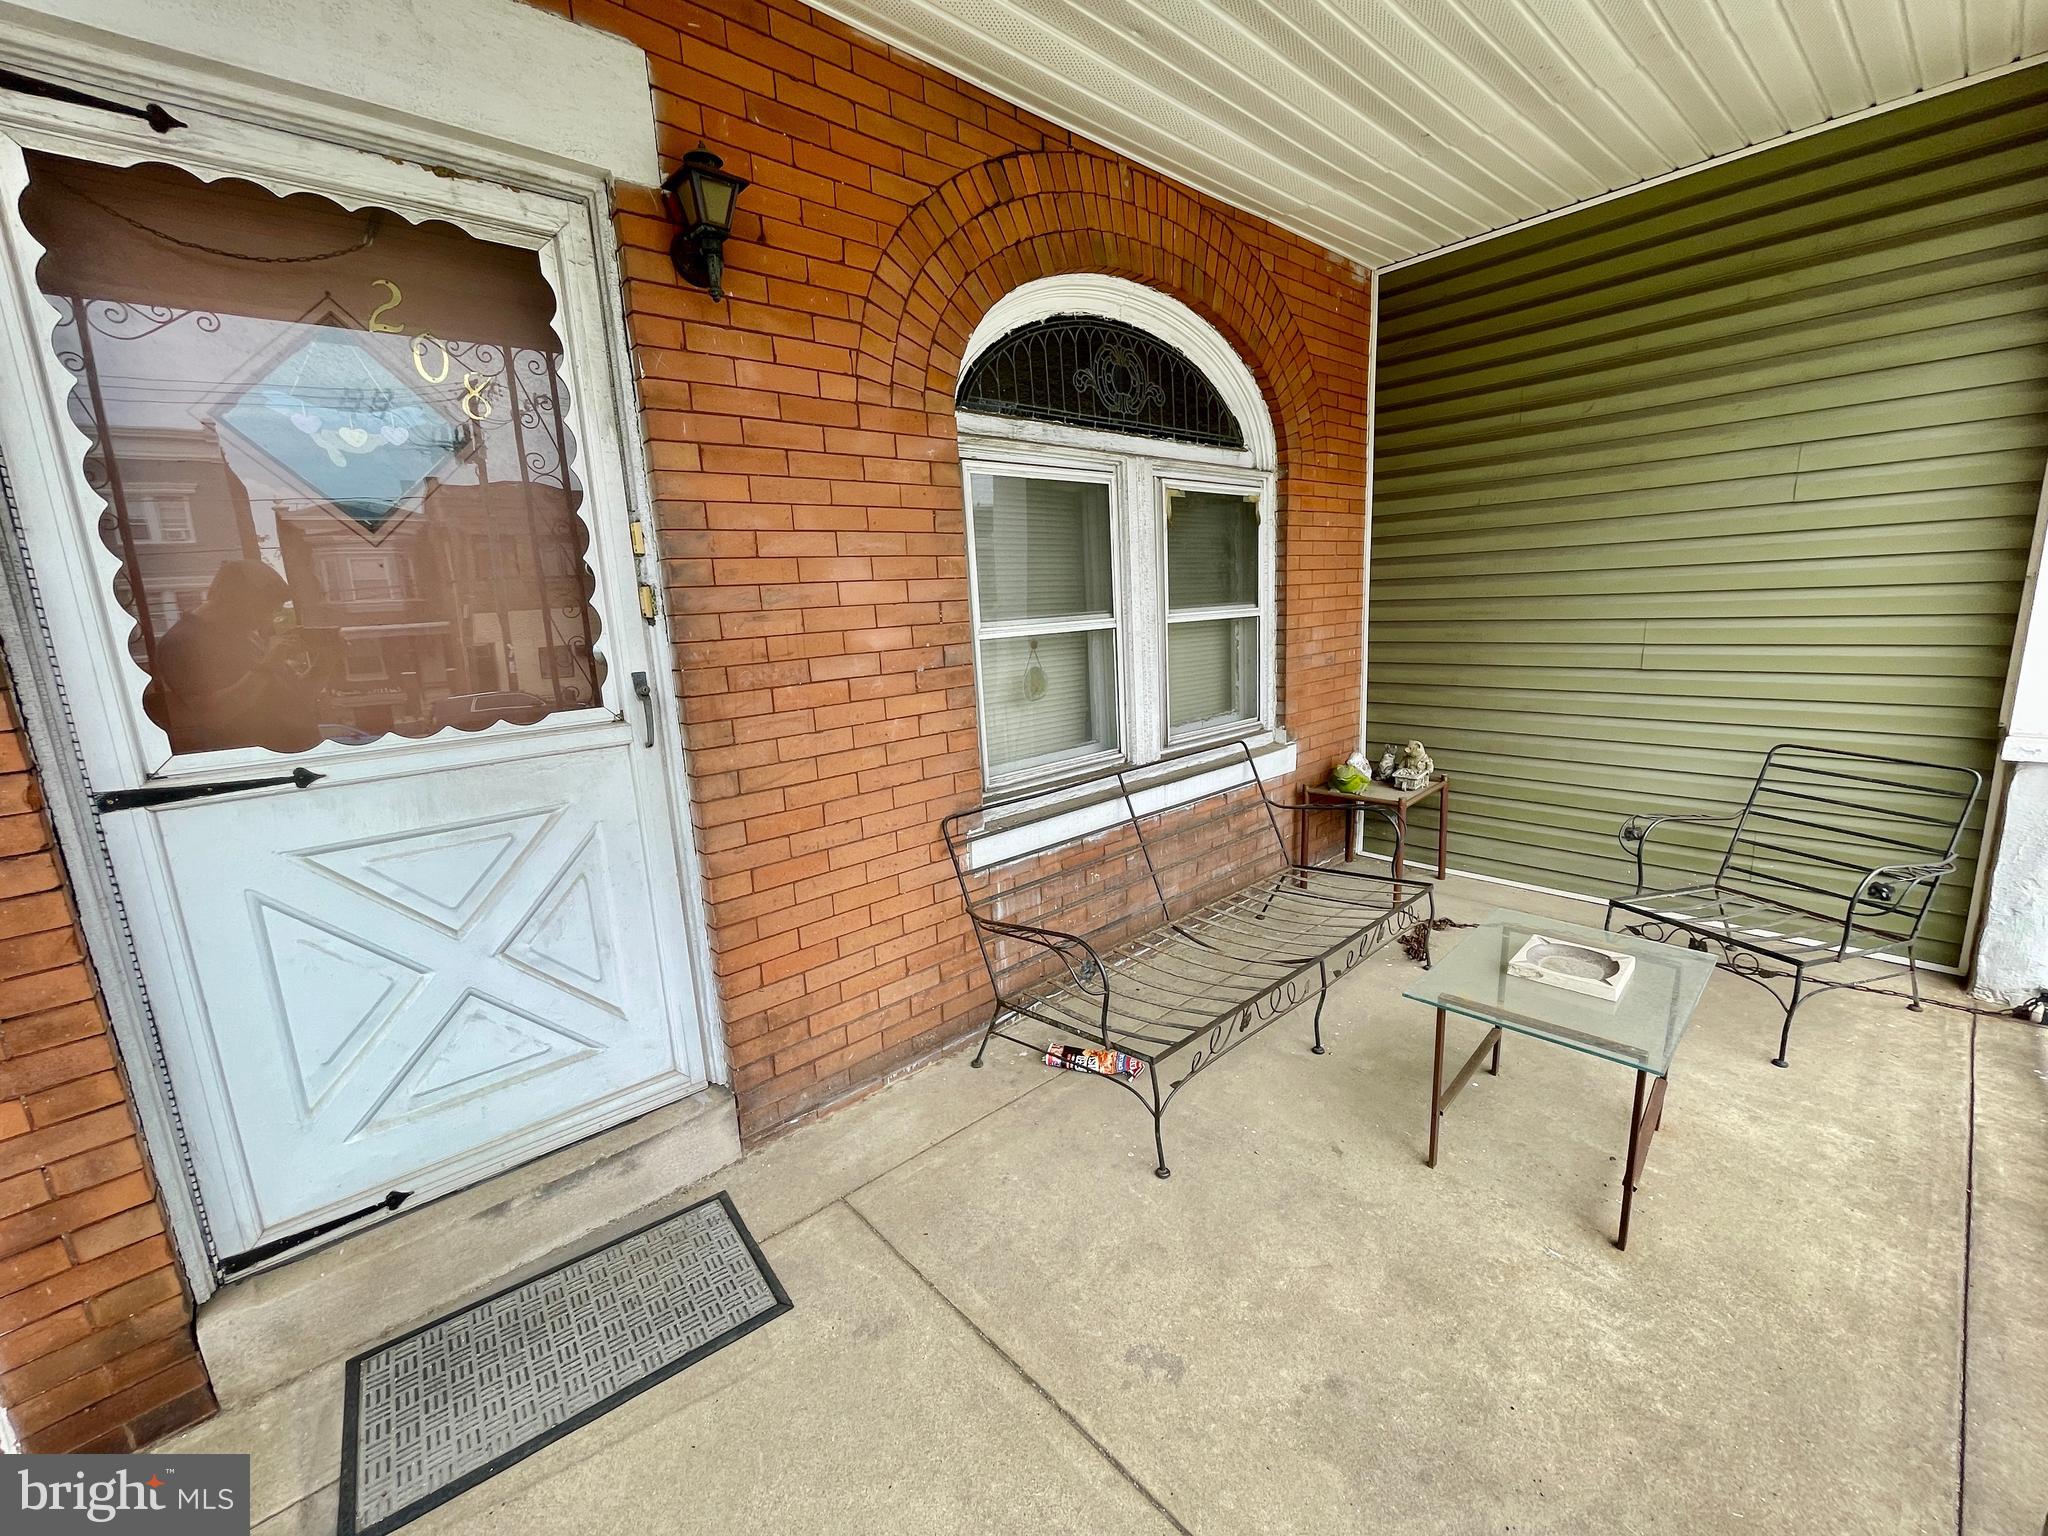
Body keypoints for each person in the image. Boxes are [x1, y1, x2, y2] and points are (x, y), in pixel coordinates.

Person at [152, 560, 326, 754]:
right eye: (266, 609)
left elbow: (299, 698)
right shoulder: (182, 642)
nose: (267, 619)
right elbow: (214, 715)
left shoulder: (243, 634)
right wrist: (266, 667)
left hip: (298, 759)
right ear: (236, 601)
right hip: (258, 765)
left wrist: (328, 660)